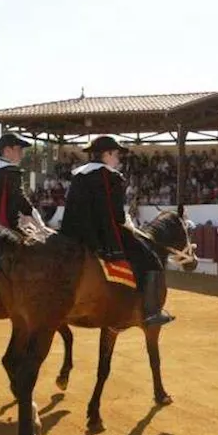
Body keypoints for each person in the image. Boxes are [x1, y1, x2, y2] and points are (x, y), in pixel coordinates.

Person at [60, 135, 173, 327]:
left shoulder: (78, 175)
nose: (118, 158)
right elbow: (117, 216)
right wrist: (128, 228)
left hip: (72, 234)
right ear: (107, 154)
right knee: (151, 260)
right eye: (116, 154)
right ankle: (151, 312)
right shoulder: (110, 176)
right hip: (103, 235)